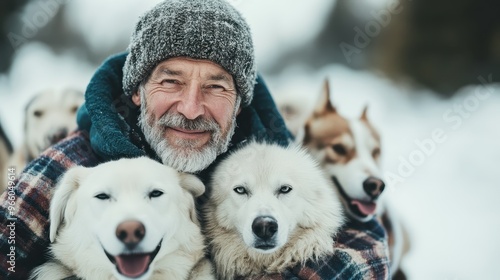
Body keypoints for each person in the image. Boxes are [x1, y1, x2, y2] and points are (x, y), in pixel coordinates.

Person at [0, 0, 389, 279]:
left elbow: (368, 248)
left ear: (238, 106)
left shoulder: (272, 157)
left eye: (216, 87)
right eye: (171, 81)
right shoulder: (73, 160)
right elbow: (7, 245)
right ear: (136, 91)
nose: (190, 108)